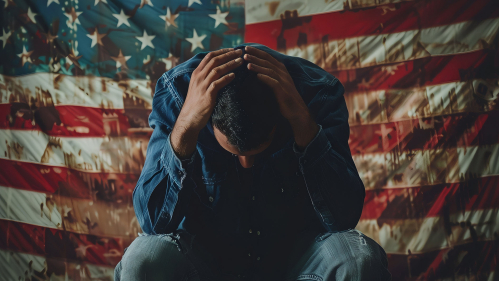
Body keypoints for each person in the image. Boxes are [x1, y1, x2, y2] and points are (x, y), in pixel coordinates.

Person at [114, 43, 391, 281]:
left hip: (297, 263)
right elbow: (153, 223)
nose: (247, 164)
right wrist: (185, 127)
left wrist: (302, 121)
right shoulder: (178, 93)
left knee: (358, 259)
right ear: (207, 115)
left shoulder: (316, 93)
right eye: (233, 153)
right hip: (204, 262)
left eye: (260, 152)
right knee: (143, 260)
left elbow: (343, 217)